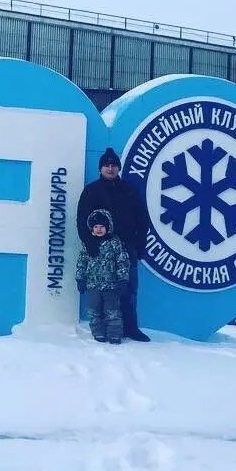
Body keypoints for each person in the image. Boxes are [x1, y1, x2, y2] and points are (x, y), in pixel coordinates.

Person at [76, 147, 151, 342]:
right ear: (100, 168)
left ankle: (131, 328)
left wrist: (139, 246)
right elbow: (81, 220)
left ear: (118, 167)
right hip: (99, 253)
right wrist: (90, 244)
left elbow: (143, 220)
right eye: (106, 165)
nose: (110, 168)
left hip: (126, 249)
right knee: (100, 298)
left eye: (114, 165)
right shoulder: (91, 191)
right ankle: (102, 331)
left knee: (128, 290)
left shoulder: (130, 190)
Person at [76, 209, 131, 344]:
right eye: (96, 227)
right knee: (94, 310)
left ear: (108, 227)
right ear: (92, 229)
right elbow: (82, 261)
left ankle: (114, 334)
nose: (99, 230)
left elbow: (122, 261)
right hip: (93, 285)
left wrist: (123, 279)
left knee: (112, 311)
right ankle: (98, 333)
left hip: (111, 285)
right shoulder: (88, 244)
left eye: (101, 227)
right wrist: (80, 278)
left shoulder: (114, 243)